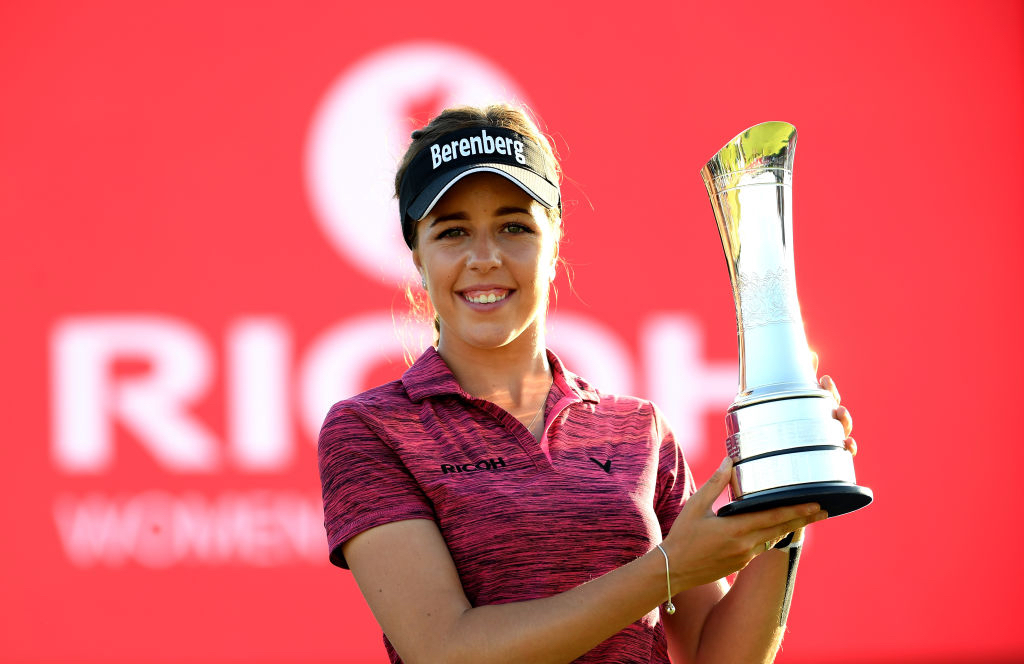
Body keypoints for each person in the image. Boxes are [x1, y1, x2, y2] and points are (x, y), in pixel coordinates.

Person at [316, 104, 857, 664]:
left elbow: (715, 657)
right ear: (417, 256)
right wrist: (666, 569)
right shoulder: (370, 429)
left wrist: (785, 506)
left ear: (555, 241)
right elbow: (446, 651)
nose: (485, 257)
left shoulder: (637, 430)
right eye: (453, 232)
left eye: (514, 226)